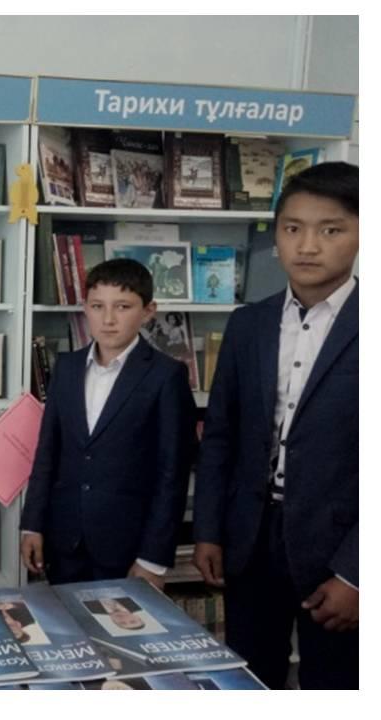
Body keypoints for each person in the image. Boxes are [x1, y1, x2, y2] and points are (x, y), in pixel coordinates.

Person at [193, 162, 358, 690]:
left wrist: (358, 573)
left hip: (338, 549)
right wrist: (208, 530)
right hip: (250, 542)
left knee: (335, 684)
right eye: (292, 228)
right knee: (247, 677)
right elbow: (220, 435)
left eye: (330, 230)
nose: (307, 246)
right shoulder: (248, 324)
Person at [20, 258, 196, 588]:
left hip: (128, 546)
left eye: (123, 307)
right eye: (97, 306)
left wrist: (153, 559)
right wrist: (33, 524)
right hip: (64, 539)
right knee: (66, 618)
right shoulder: (67, 368)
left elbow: (172, 473)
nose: (108, 319)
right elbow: (47, 453)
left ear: (148, 311)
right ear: (85, 308)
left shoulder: (166, 375)